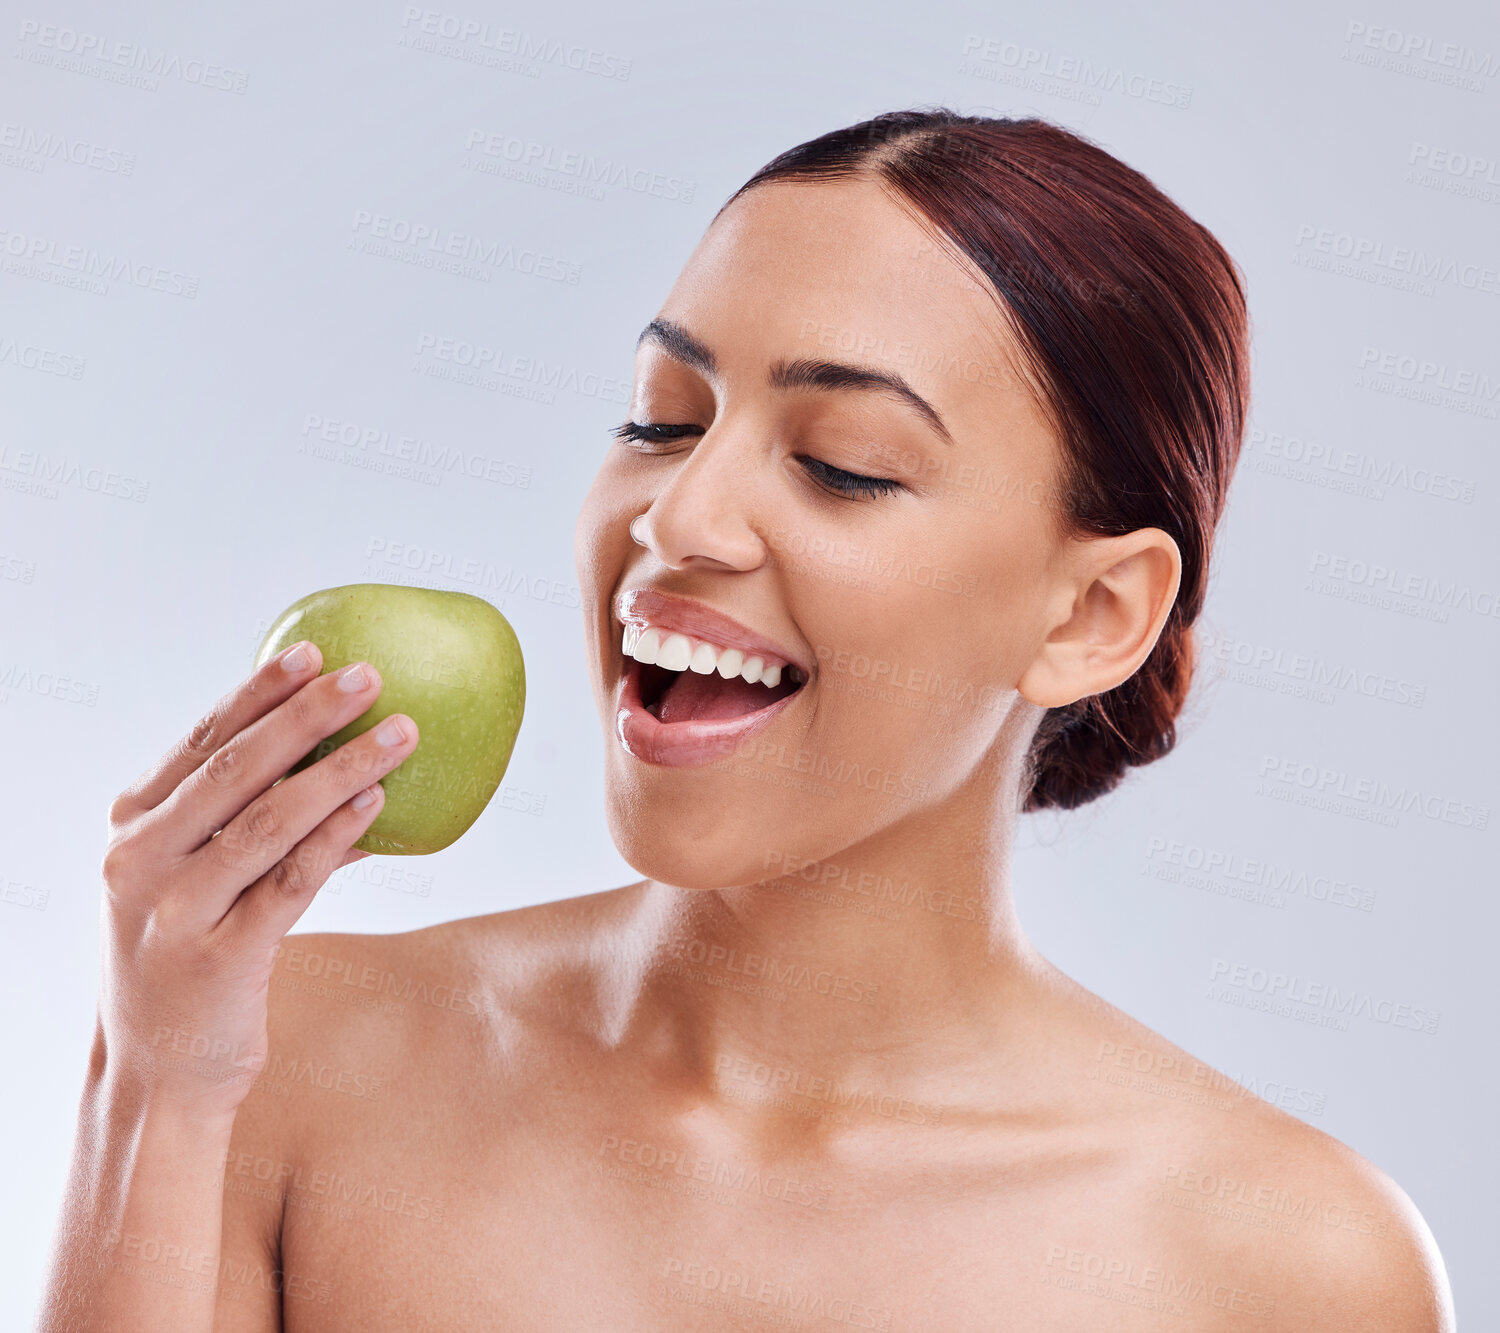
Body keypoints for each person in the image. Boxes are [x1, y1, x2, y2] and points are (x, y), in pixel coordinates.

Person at [39, 108, 1454, 1330]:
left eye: (843, 465)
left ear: (1090, 616)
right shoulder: (283, 1059)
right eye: (663, 418)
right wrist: (154, 1090)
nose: (679, 514)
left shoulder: (1287, 1261)